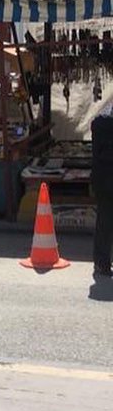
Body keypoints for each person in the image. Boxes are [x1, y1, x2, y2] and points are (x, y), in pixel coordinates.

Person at [91, 98, 113, 278]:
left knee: (104, 222)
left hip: (102, 179)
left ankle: (101, 262)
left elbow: (97, 152)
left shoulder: (99, 122)